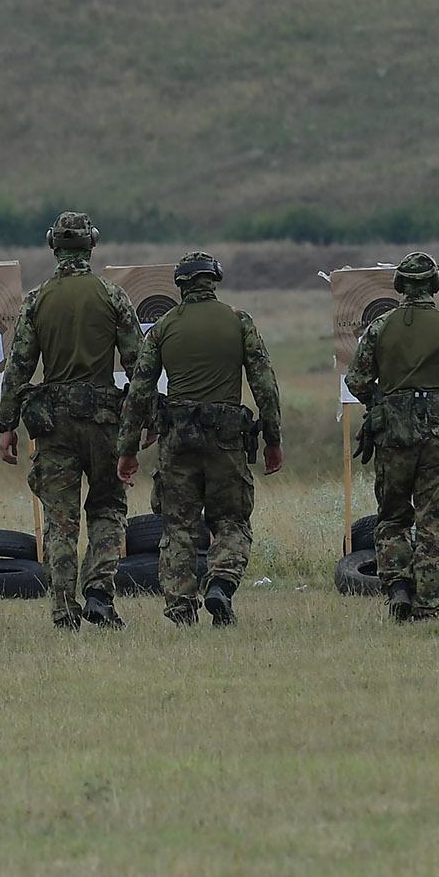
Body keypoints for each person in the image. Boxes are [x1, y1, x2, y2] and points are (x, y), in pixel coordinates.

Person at [114, 253, 283, 627]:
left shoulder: (162, 327)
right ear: (214, 280)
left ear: (180, 285)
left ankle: (181, 609)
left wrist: (127, 449)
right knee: (232, 520)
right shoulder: (238, 321)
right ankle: (220, 584)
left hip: (177, 440)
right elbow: (265, 385)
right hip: (227, 440)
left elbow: (139, 392)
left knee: (178, 528)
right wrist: (273, 439)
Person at [0, 211, 146, 631]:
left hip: (53, 424)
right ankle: (99, 595)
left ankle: (64, 610)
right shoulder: (113, 296)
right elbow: (138, 365)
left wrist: (6, 424)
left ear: (53, 246)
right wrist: (144, 419)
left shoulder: (37, 299)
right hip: (105, 421)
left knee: (60, 522)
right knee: (107, 508)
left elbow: (18, 367)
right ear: (91, 244)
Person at [343, 251, 439, 622]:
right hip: (438, 435)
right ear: (434, 285)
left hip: (393, 434)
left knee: (392, 517)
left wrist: (382, 403)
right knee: (433, 525)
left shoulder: (379, 328)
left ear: (400, 285)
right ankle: (426, 607)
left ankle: (397, 586)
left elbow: (356, 380)